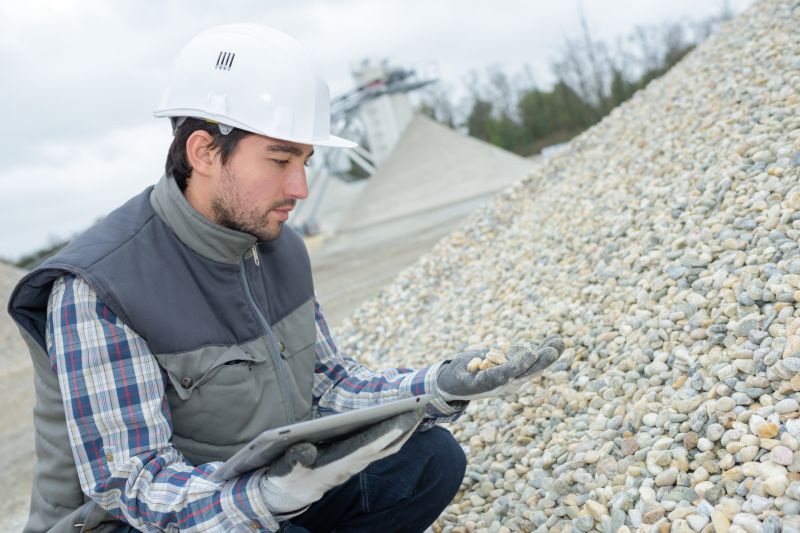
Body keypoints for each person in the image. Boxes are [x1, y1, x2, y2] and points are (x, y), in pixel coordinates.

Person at [7, 24, 564, 532]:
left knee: (428, 461)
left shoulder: (277, 246)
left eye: (305, 161)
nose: (300, 187)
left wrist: (440, 386)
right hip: (138, 521)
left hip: (260, 493)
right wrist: (265, 498)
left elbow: (329, 385)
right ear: (204, 152)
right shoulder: (100, 286)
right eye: (279, 161)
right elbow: (132, 483)